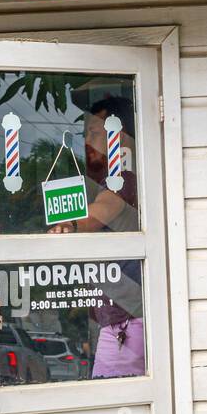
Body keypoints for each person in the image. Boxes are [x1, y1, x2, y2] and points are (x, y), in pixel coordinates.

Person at [49, 95, 144, 378]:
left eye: (93, 133)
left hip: (126, 322)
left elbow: (100, 212)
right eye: (85, 134)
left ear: (120, 135)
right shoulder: (108, 182)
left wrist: (68, 222)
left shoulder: (122, 179)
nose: (87, 142)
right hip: (116, 321)